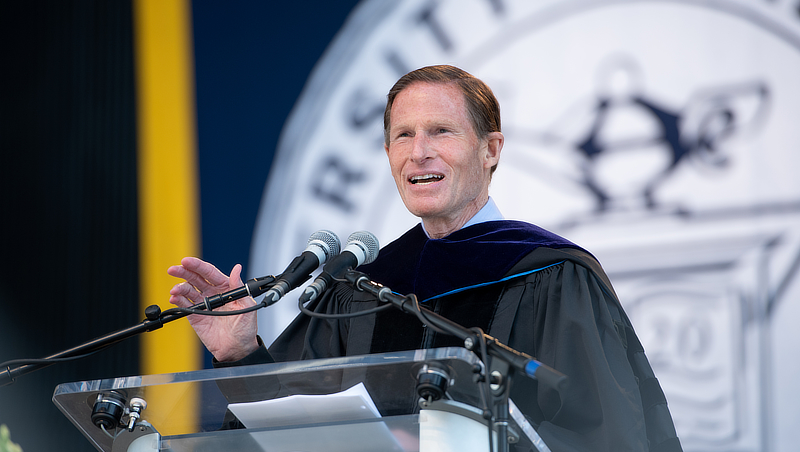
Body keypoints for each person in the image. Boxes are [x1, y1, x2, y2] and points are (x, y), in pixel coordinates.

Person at [168, 65, 682, 451]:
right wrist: (240, 354)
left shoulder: (550, 273)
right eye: (403, 136)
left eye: (441, 131)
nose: (419, 152)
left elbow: (605, 434)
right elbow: (288, 431)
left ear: (491, 149)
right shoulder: (361, 287)